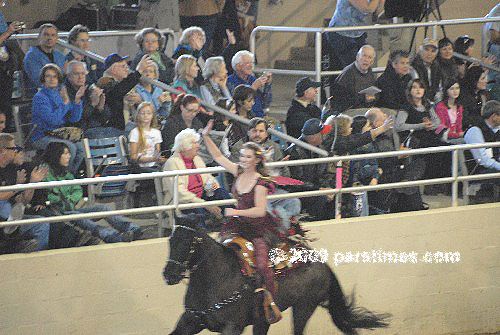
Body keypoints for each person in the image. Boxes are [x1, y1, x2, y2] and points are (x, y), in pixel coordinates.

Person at [202, 119, 282, 323]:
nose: (243, 159)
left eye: (247, 157)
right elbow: (219, 156)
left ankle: (272, 303)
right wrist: (206, 136)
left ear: (256, 160)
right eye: (242, 156)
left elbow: (259, 211)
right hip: (237, 226)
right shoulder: (237, 171)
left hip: (257, 229)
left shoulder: (261, 182)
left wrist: (235, 213)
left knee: (263, 266)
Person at [40, 142, 143, 242]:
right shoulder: (44, 174)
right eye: (66, 153)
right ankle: (114, 237)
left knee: (103, 208)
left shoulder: (66, 173)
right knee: (83, 219)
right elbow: (45, 196)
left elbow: (77, 190)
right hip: (59, 214)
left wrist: (70, 199)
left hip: (71, 210)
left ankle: (132, 228)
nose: (69, 156)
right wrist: (61, 199)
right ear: (56, 155)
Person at [229, 117, 300, 232]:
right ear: (248, 132)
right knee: (270, 210)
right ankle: (280, 229)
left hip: (271, 189)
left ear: (267, 133)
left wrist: (279, 166)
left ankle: (280, 219)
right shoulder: (239, 148)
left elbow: (286, 175)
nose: (257, 134)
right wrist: (269, 167)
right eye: (254, 131)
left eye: (261, 131)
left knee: (294, 202)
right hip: (249, 192)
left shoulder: (274, 147)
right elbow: (240, 173)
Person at [162, 128, 231, 226]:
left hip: (202, 197)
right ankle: (202, 236)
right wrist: (204, 204)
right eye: (195, 143)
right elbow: (180, 194)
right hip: (184, 203)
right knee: (196, 207)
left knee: (222, 193)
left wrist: (211, 186)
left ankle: (235, 223)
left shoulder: (197, 159)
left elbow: (208, 178)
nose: (198, 146)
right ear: (186, 146)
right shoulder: (172, 163)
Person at [365, 108, 427, 213]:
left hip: (395, 167)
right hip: (383, 172)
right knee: (410, 185)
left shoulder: (388, 134)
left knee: (420, 162)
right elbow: (377, 162)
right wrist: (397, 156)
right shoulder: (370, 139)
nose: (387, 118)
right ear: (376, 123)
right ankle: (416, 204)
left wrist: (399, 151)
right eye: (383, 117)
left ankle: (406, 182)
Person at [31, 63, 85, 175]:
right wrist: (65, 104)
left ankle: (71, 175)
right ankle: (63, 177)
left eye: (55, 76)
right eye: (48, 76)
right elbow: (53, 120)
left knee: (81, 148)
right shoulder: (40, 97)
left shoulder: (60, 94)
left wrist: (77, 101)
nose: (52, 79)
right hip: (42, 136)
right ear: (43, 78)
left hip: (59, 134)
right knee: (70, 148)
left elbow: (74, 118)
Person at [0, 133, 50, 253]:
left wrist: (32, 183)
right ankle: (12, 244)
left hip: (11, 216)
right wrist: (17, 187)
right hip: (4, 216)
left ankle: (35, 261)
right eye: (14, 148)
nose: (16, 151)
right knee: (5, 207)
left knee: (42, 224)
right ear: (3, 151)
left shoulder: (12, 169)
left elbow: (23, 201)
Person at [285, 118, 335, 220]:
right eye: (322, 133)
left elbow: (325, 174)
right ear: (313, 137)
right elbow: (297, 182)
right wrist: (318, 189)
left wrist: (327, 187)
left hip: (316, 188)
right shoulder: (294, 151)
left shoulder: (321, 148)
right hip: (299, 191)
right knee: (320, 198)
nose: (324, 135)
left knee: (337, 195)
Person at [98, 53, 154, 135]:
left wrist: (138, 101)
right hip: (109, 129)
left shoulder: (122, 84)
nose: (127, 69)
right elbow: (117, 92)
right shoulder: (105, 82)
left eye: (127, 66)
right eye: (123, 66)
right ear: (113, 69)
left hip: (122, 127)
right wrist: (138, 72)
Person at [325, 0, 385, 70]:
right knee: (354, 67)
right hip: (340, 32)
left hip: (358, 33)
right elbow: (367, 9)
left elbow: (376, 11)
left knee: (364, 65)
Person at [64, 60, 108, 136]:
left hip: (95, 127)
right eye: (76, 74)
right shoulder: (64, 92)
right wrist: (93, 104)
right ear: (69, 76)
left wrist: (100, 107)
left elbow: (104, 118)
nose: (80, 77)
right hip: (77, 130)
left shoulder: (89, 88)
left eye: (83, 74)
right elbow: (75, 120)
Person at [332, 45, 378, 112]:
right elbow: (339, 100)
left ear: (372, 62)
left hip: (365, 109)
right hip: (348, 112)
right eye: (364, 56)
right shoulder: (347, 74)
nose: (366, 60)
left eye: (369, 57)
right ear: (357, 57)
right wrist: (363, 98)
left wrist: (374, 97)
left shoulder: (370, 72)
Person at [22, 23, 65, 96]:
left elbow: (64, 78)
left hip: (58, 95)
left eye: (53, 35)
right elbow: (39, 80)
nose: (49, 38)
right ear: (39, 37)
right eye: (46, 35)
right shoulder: (31, 56)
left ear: (57, 38)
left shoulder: (60, 56)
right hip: (38, 95)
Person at [228, 50, 272, 118]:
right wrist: (253, 87)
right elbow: (236, 105)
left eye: (251, 63)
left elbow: (265, 104)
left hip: (260, 118)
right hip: (245, 120)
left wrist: (268, 85)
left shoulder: (252, 79)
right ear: (238, 66)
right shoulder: (230, 82)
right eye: (247, 63)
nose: (251, 66)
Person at [464, 100, 500, 173]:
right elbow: (483, 160)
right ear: (494, 117)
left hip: (494, 168)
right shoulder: (475, 131)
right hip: (479, 172)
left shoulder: (497, 130)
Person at [128, 102, 165, 173]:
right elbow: (133, 157)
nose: (145, 115)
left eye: (148, 113)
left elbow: (157, 152)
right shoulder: (135, 132)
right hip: (139, 167)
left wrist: (158, 159)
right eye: (142, 113)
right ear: (138, 115)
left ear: (153, 116)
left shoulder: (157, 132)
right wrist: (152, 159)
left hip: (154, 165)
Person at [410, 38, 441, 102]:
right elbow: (416, 89)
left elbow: (439, 87)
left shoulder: (437, 65)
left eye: (433, 51)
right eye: (426, 50)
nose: (429, 54)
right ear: (420, 50)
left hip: (433, 101)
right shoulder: (413, 66)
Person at [434, 79, 465, 144]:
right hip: (445, 138)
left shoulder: (459, 107)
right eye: (452, 89)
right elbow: (441, 129)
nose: (455, 91)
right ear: (446, 91)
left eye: (457, 88)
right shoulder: (440, 107)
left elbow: (459, 128)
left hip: (457, 137)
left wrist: (460, 134)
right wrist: (458, 135)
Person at [460, 65, 490, 130]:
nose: (486, 81)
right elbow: (464, 118)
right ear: (474, 80)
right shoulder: (463, 96)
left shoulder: (484, 95)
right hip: (468, 129)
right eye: (483, 78)